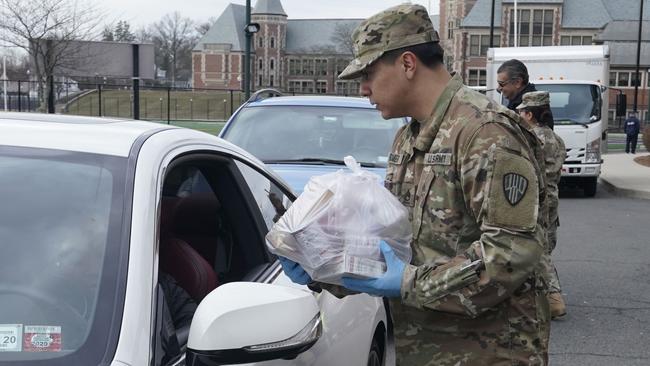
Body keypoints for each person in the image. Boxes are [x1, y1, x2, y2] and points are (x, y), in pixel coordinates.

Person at [280, 4, 549, 365]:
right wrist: (324, 270)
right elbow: (398, 247)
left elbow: (511, 256)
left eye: (369, 73)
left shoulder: (484, 133)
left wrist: (408, 283)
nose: (362, 89)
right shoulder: (410, 137)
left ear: (408, 64)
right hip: (427, 348)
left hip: (487, 351)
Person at [517, 91, 568, 319]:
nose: (518, 115)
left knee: (539, 249)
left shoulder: (530, 137)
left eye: (521, 111)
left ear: (529, 114)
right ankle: (543, 296)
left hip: (536, 199)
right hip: (553, 197)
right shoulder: (556, 139)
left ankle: (554, 298)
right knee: (546, 245)